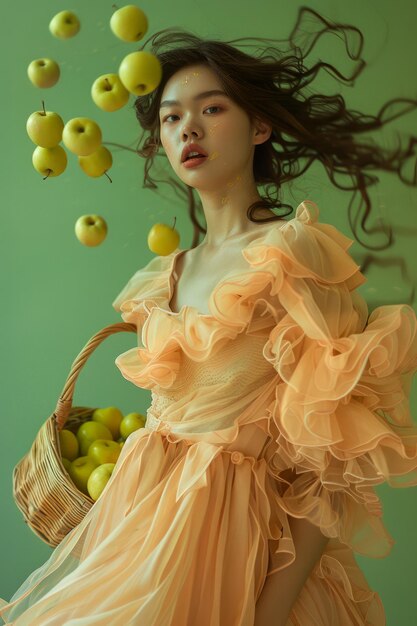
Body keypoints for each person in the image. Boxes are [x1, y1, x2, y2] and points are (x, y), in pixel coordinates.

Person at [2, 6, 417, 625]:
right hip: (148, 556)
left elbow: (325, 472)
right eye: (172, 118)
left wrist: (266, 614)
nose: (188, 128)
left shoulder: (291, 255)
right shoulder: (164, 277)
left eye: (212, 109)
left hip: (252, 569)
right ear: (161, 142)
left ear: (259, 128)